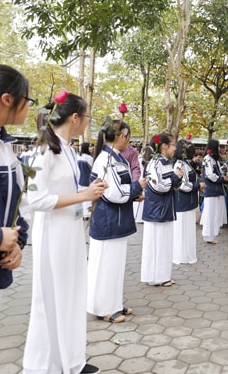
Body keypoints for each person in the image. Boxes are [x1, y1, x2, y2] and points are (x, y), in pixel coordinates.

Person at [24, 91, 107, 374]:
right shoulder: (44, 151)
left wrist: (85, 194)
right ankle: (45, 363)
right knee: (50, 297)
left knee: (71, 293)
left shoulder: (68, 149)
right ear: (75, 117)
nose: (87, 123)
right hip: (53, 234)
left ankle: (72, 359)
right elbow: (36, 200)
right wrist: (84, 195)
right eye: (86, 117)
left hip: (70, 230)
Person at [0, 64, 30, 373]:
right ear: (8, 99)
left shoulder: (4, 148)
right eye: (28, 99)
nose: (30, 106)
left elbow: (17, 209)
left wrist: (17, 243)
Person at [87, 120, 147, 323]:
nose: (128, 141)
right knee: (106, 265)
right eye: (128, 136)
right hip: (108, 221)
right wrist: (137, 187)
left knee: (115, 265)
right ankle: (104, 308)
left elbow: (122, 190)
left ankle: (113, 303)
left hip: (117, 220)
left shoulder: (115, 158)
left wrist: (133, 194)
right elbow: (114, 193)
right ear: (121, 136)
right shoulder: (106, 160)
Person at [141, 133, 182, 286]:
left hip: (165, 208)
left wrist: (177, 178)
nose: (175, 148)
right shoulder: (155, 163)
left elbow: (169, 184)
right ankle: (153, 277)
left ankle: (163, 275)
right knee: (155, 244)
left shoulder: (167, 163)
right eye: (173, 145)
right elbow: (158, 186)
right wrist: (174, 178)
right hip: (156, 210)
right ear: (163, 146)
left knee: (164, 244)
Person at [173, 139, 204, 264]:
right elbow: (182, 185)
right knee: (181, 230)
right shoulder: (179, 164)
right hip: (182, 202)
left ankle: (187, 255)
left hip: (189, 202)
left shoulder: (186, 163)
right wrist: (197, 186)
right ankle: (180, 256)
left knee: (188, 230)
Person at [201, 139, 227, 244]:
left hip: (216, 190)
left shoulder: (213, 159)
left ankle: (213, 234)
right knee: (210, 213)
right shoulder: (207, 159)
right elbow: (210, 174)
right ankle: (208, 235)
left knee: (215, 213)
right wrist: (221, 179)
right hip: (211, 189)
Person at [78, 141, 94, 219]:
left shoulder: (77, 156)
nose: (92, 148)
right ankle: (87, 214)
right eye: (90, 147)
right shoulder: (89, 158)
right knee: (87, 198)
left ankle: (82, 214)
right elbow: (93, 169)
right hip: (87, 179)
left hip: (79, 180)